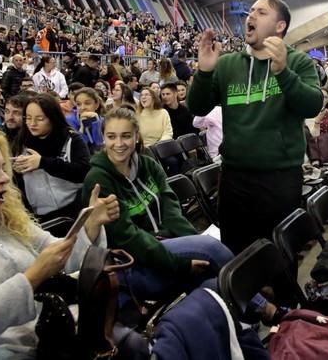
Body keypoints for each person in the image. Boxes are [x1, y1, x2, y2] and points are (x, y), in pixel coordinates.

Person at [81, 107, 283, 324]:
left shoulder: (148, 164)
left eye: (126, 136)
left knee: (210, 277)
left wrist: (192, 245)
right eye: (111, 136)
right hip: (133, 265)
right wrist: (183, 262)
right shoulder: (98, 180)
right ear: (103, 138)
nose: (119, 143)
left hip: (164, 247)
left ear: (136, 136)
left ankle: (248, 321)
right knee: (211, 251)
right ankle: (265, 306)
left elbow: (171, 208)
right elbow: (130, 239)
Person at [187, 0, 321, 254]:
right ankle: (243, 297)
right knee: (235, 253)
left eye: (261, 12)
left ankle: (283, 296)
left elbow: (312, 105)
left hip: (280, 178)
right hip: (233, 178)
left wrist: (283, 73)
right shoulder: (228, 64)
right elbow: (197, 107)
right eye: (250, 11)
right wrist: (204, 72)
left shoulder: (298, 62)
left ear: (279, 26)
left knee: (280, 254)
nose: (251, 16)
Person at [0, 126, 119, 359]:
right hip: (1, 352)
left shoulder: (9, 222)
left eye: (3, 168)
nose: (5, 178)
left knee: (131, 344)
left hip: (55, 333)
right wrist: (30, 280)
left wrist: (91, 224)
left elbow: (63, 256)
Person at [11, 94, 91, 221]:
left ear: (52, 118)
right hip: (40, 215)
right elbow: (16, 185)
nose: (32, 123)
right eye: (28, 118)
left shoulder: (71, 139)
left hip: (73, 208)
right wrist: (15, 170)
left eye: (40, 119)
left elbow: (83, 171)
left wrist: (43, 163)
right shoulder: (21, 142)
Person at [73, 87, 106, 154]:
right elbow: (78, 150)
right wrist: (82, 128)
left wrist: (96, 123)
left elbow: (99, 147)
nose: (82, 108)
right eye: (78, 104)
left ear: (96, 105)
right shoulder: (71, 121)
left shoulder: (105, 122)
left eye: (87, 103)